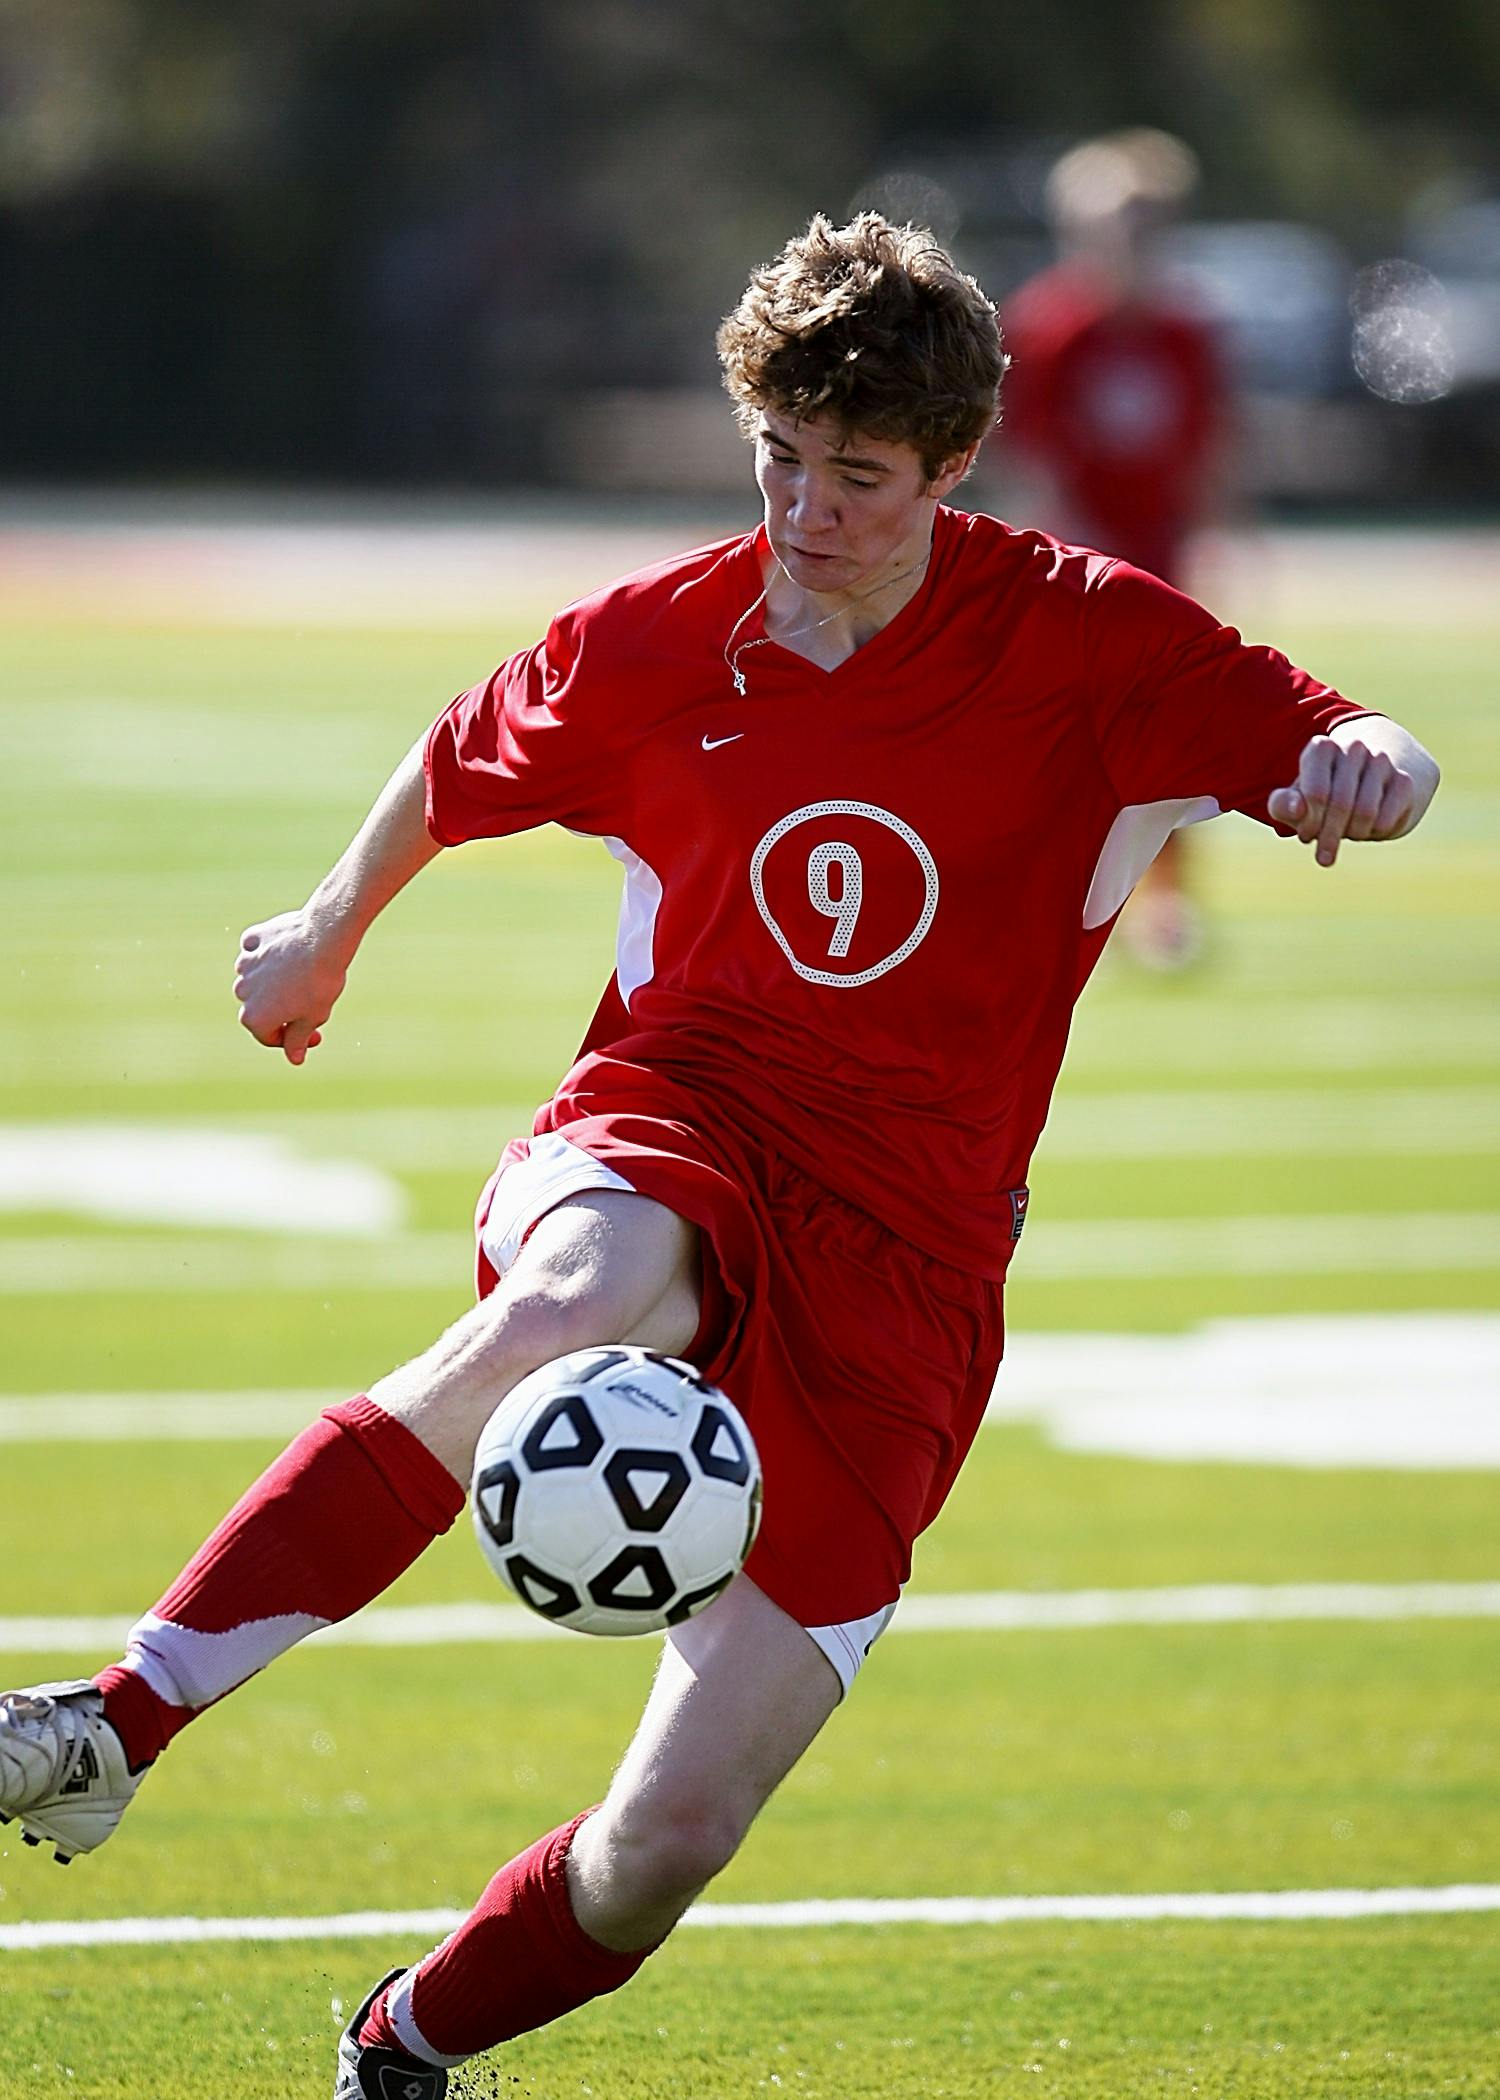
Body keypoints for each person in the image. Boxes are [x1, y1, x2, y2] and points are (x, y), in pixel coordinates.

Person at [0, 213, 1439, 2099]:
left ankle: (405, 2046)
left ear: (948, 468)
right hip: (675, 1117)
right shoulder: (667, 632)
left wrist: (1376, 770)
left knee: (664, 1848)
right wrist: (326, 927)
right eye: (781, 460)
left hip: (910, 1275)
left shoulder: (1090, 643)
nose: (810, 508)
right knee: (574, 1297)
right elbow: (459, 758)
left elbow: (1350, 734)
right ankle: (113, 1723)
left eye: (858, 477)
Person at [999, 129, 1231, 966]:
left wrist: (1219, 548)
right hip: (1079, 574)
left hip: (1160, 570)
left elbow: (1208, 454)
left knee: (1167, 746)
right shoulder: (1051, 329)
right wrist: (1071, 567)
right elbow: (1034, 462)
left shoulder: (1187, 333)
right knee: (1055, 746)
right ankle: (1030, 904)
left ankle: (1164, 909)